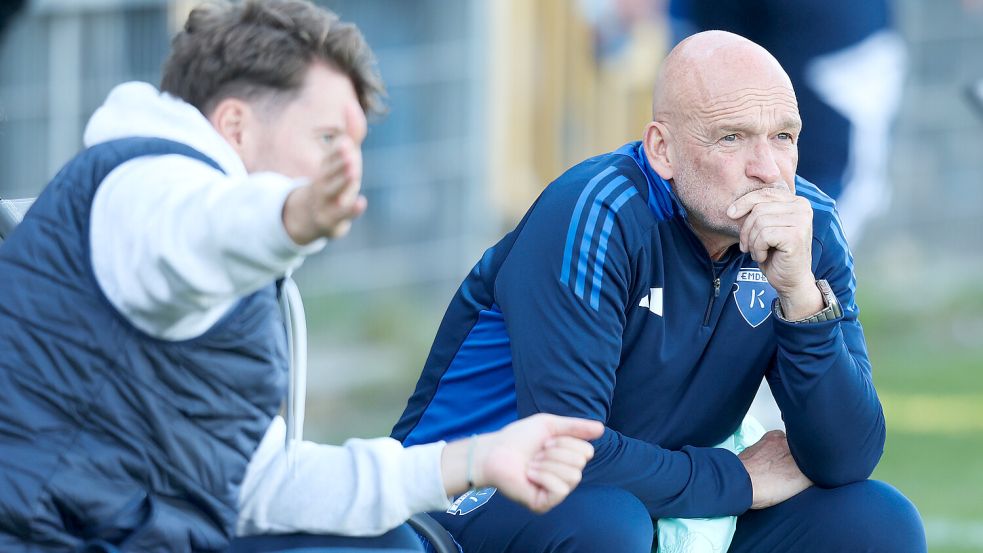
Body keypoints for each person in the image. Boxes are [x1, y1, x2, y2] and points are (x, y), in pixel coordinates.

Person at [0, 1, 604, 552]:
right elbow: (196, 231)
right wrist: (289, 218)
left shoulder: (242, 273)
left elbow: (262, 485)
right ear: (235, 125)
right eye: (326, 138)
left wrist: (476, 458)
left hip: (132, 528)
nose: (348, 171)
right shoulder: (142, 188)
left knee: (398, 543)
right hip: (45, 533)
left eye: (356, 145)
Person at [392, 31, 926, 552]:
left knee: (876, 522)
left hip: (652, 491)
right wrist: (737, 478)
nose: (767, 171)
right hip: (469, 497)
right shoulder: (593, 214)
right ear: (662, 150)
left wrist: (801, 298)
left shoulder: (808, 228)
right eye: (731, 138)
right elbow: (569, 449)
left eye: (783, 137)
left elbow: (845, 458)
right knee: (609, 523)